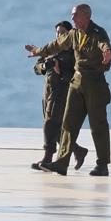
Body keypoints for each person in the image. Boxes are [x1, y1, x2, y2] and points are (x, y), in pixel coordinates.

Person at [26, 3, 111, 176]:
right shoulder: (73, 34)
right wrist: (38, 51)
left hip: (94, 84)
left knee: (98, 125)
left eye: (75, 15)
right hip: (77, 82)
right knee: (68, 123)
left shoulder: (97, 33)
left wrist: (108, 52)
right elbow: (56, 44)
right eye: (72, 15)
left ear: (86, 17)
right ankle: (62, 162)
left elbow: (104, 45)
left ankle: (102, 165)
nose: (72, 18)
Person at [31, 21, 87, 170]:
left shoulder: (73, 53)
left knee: (50, 125)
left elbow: (76, 75)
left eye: (63, 32)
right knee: (55, 127)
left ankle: (48, 156)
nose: (59, 35)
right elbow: (36, 68)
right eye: (57, 32)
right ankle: (78, 150)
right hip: (48, 92)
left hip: (62, 92)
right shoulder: (51, 49)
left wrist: (59, 70)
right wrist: (44, 66)